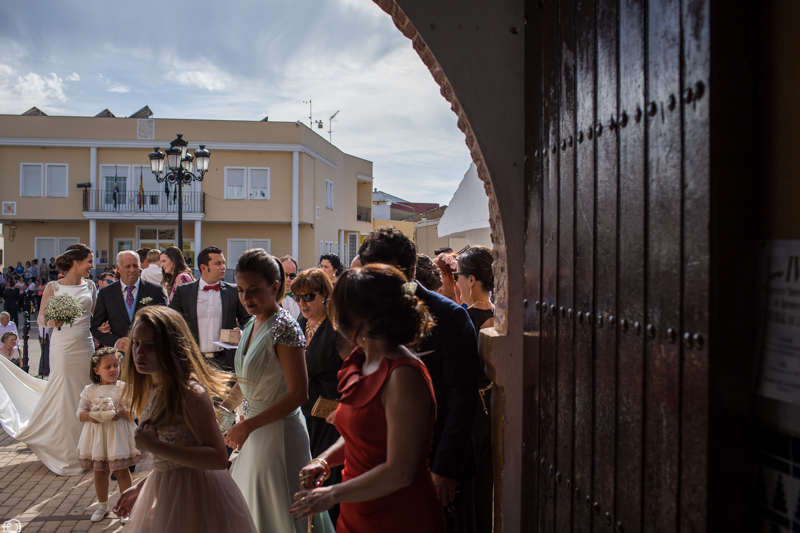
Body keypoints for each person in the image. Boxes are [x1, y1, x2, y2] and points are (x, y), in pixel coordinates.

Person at [291, 264, 446, 533]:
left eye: (340, 308)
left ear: (363, 315)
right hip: (356, 510)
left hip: (398, 516)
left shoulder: (403, 375)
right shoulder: (359, 359)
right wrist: (324, 460)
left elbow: (400, 471)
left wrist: (332, 494)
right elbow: (360, 434)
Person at [358, 227, 480, 531]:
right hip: (379, 464)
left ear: (411, 270)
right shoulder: (368, 315)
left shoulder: (449, 316)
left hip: (433, 464)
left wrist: (444, 469)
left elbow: (462, 400)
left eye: (388, 275)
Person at [111, 306, 257, 532]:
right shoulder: (151, 388)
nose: (139, 353)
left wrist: (155, 446)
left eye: (150, 346)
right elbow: (172, 459)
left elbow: (218, 458)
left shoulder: (190, 393)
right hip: (167, 488)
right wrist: (142, 486)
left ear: (170, 348)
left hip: (195, 495)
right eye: (136, 344)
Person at [219, 249, 334, 533]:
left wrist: (248, 426)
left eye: (254, 290)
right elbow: (246, 380)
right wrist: (222, 411)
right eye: (241, 290)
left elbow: (299, 394)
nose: (246, 298)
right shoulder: (251, 324)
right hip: (253, 432)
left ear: (274, 287)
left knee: (278, 513)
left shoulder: (284, 327)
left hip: (278, 433)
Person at [0, 244, 97, 475]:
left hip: (85, 345)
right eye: (89, 261)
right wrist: (54, 321)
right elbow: (41, 319)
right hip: (63, 347)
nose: (92, 266)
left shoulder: (91, 286)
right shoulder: (54, 287)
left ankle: (88, 448)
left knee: (85, 392)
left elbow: (93, 315)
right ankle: (67, 452)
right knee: (66, 394)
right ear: (76, 262)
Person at [293, 268, 354, 524]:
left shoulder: (337, 329)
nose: (302, 303)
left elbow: (357, 372)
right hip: (304, 415)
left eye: (308, 297)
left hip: (330, 418)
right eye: (297, 297)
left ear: (325, 295)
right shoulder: (299, 324)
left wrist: (344, 407)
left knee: (326, 481)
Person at [453, 246, 495, 533]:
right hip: (491, 402)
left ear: (471, 280)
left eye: (458, 276)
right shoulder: (498, 314)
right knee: (486, 480)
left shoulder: (464, 318)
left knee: (469, 480)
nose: (456, 282)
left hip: (471, 408)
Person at [76, 347, 144, 523]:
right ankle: (102, 505)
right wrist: (91, 416)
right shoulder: (90, 390)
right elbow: (80, 413)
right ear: (96, 370)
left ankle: (127, 507)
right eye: (108, 367)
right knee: (100, 472)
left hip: (118, 435)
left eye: (116, 365)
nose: (113, 369)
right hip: (98, 437)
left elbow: (135, 412)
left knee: (122, 471)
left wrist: (122, 412)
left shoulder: (125, 388)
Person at [170, 245, 250, 372]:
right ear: (203, 267)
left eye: (223, 263)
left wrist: (241, 332)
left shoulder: (233, 291)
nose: (223, 267)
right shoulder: (184, 292)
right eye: (218, 264)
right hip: (194, 362)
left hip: (226, 362)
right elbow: (169, 321)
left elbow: (248, 321)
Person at [91, 250, 167, 352]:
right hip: (119, 355)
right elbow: (96, 327)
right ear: (118, 268)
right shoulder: (106, 293)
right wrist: (115, 342)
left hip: (148, 352)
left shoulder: (155, 291)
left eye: (135, 266)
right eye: (127, 266)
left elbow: (165, 323)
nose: (132, 270)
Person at [279, 255, 301, 320]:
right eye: (284, 275)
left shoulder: (303, 298)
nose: (288, 279)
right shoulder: (271, 299)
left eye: (292, 276)